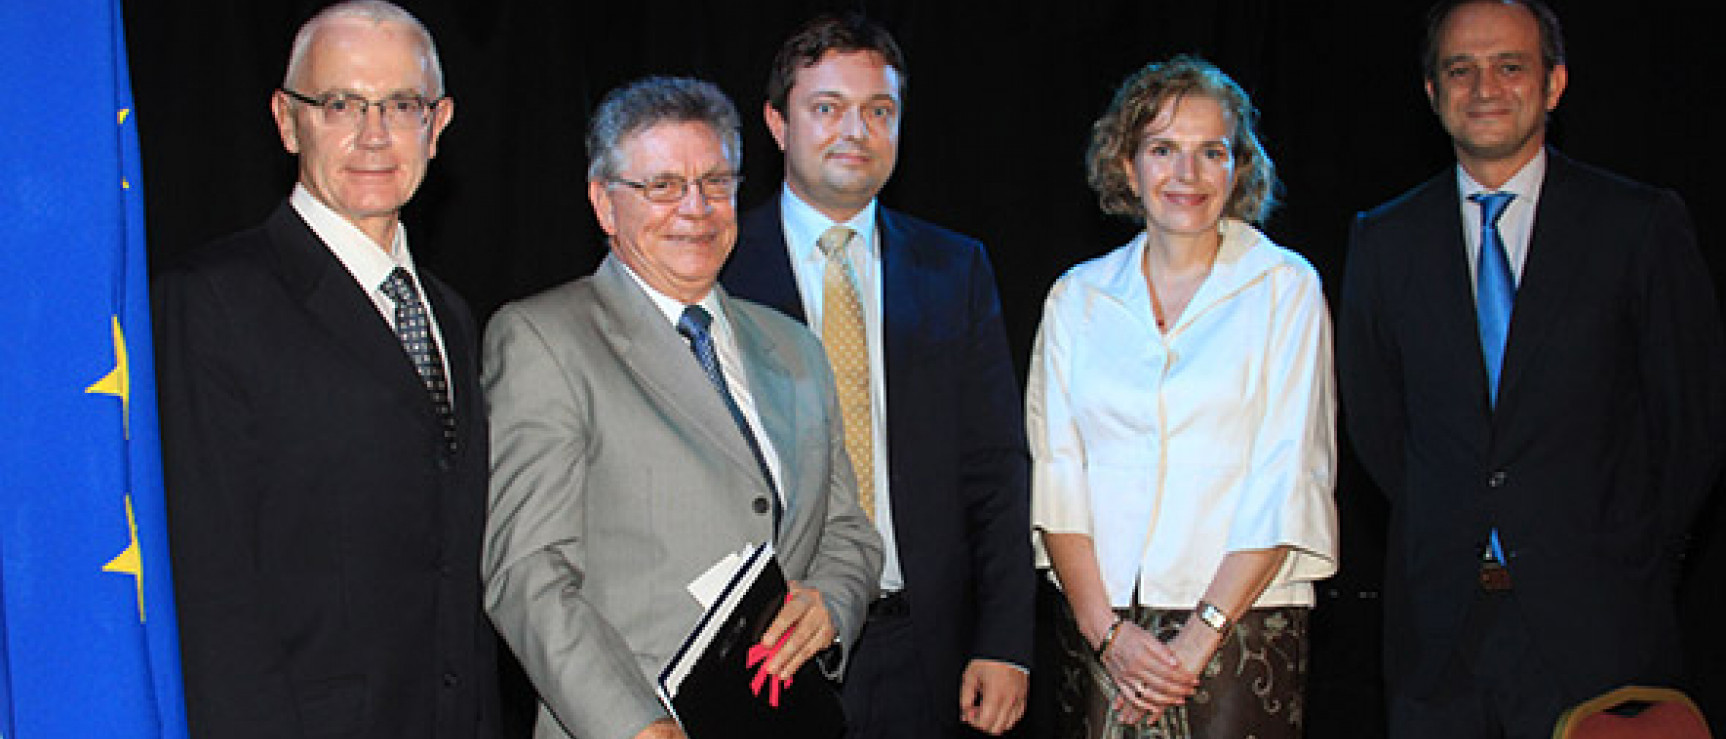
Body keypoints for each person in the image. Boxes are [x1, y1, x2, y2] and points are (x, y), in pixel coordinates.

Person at [1337, 1, 1726, 736]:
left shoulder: (1638, 225)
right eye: (1461, 68)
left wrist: (1623, 557)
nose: (1484, 86)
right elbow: (1379, 428)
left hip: (1601, 632)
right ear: (1432, 93)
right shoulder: (1383, 240)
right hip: (1438, 640)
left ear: (1553, 84)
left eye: (1510, 66)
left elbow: (1692, 424)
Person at [481, 76, 883, 739]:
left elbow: (849, 531)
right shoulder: (543, 340)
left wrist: (831, 605)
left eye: (716, 181)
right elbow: (527, 572)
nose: (695, 206)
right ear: (604, 204)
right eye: (663, 185)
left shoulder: (795, 348)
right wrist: (633, 723)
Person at [152, 2, 498, 737]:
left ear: (437, 126)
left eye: (401, 105)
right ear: (287, 120)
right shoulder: (212, 300)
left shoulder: (450, 314)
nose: (374, 134)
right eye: (341, 103)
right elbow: (210, 587)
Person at [720, 13, 1035, 738]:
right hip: (772, 642)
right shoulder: (719, 267)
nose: (854, 131)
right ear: (776, 122)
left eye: (879, 110)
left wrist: (1005, 640)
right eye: (827, 108)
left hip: (927, 647)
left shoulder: (955, 269)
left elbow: (994, 468)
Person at [1028, 56, 1339, 739]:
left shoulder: (1285, 288)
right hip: (1102, 629)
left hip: (1240, 632)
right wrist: (1106, 632)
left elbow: (1288, 476)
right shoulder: (1077, 297)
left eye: (1212, 151)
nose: (1188, 174)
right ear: (1128, 164)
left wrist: (1197, 641)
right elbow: (1058, 474)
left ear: (1239, 166)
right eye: (1164, 149)